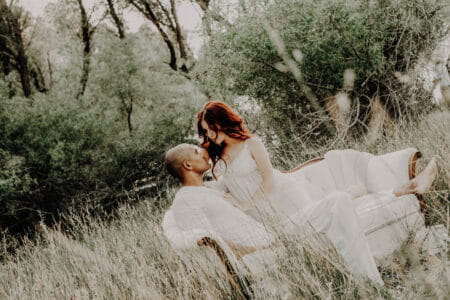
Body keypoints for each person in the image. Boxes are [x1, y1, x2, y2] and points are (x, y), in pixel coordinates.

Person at [164, 143, 387, 285]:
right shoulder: (185, 201)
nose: (203, 152)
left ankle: (367, 280)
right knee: (338, 202)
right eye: (196, 151)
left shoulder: (211, 189)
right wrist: (261, 248)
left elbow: (240, 176)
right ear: (187, 164)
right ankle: (370, 283)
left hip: (276, 233)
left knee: (338, 201)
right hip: (271, 243)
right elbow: (214, 242)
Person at [197, 100, 438, 223]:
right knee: (335, 210)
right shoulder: (214, 154)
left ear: (223, 122)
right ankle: (364, 192)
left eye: (210, 129)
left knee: (336, 212)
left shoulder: (252, 144)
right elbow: (212, 183)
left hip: (283, 197)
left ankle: (408, 187)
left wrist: (246, 205)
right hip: (261, 212)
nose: (208, 135)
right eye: (205, 131)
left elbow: (269, 180)